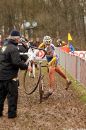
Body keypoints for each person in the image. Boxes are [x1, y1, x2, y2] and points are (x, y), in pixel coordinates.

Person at [0, 30, 31, 118]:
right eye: (19, 38)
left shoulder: (4, 46)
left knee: (1, 95)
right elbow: (16, 62)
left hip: (1, 75)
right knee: (12, 96)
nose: (19, 40)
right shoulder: (13, 48)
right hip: (10, 77)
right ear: (16, 39)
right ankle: (12, 114)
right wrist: (26, 66)